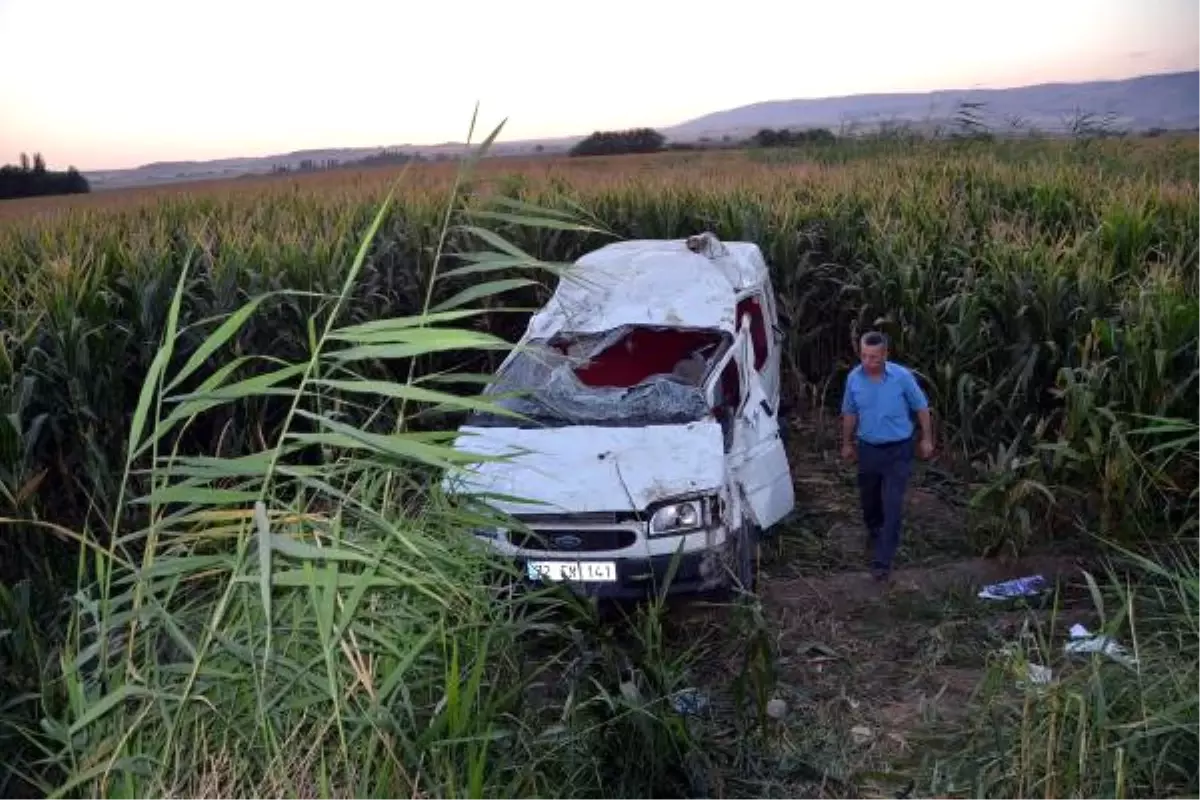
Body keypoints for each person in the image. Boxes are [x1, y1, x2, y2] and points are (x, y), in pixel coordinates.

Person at [840, 331, 934, 581]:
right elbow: (849, 412)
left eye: (874, 358)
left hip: (898, 450)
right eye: (864, 356)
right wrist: (846, 443)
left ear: (885, 355)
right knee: (870, 500)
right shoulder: (854, 379)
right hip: (868, 449)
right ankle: (875, 530)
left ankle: (882, 561)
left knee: (892, 504)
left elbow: (921, 408)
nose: (868, 362)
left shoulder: (902, 378)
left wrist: (926, 438)